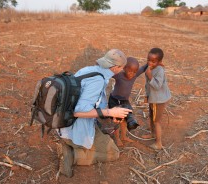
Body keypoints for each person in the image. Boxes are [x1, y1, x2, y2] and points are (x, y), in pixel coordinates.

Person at [57, 49, 132, 177]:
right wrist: (109, 111)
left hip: (64, 123)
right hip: (76, 129)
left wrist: (110, 114)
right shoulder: (98, 81)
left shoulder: (89, 70)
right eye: (122, 68)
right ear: (115, 67)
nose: (122, 71)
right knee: (113, 153)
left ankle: (71, 146)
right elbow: (78, 111)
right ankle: (72, 155)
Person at [108, 57, 147, 147]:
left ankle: (123, 136)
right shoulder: (119, 75)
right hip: (115, 100)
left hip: (124, 101)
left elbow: (143, 68)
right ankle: (117, 138)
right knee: (117, 121)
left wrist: (151, 62)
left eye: (134, 72)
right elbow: (108, 73)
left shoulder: (135, 74)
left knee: (125, 120)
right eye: (130, 71)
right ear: (124, 68)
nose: (132, 74)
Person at [142, 48, 171, 150]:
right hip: (153, 98)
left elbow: (157, 86)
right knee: (152, 117)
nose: (150, 63)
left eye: (153, 61)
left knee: (156, 121)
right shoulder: (152, 68)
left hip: (158, 101)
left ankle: (158, 143)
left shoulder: (159, 70)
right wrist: (147, 96)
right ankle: (152, 134)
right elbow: (147, 85)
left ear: (159, 62)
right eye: (148, 60)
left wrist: (150, 76)